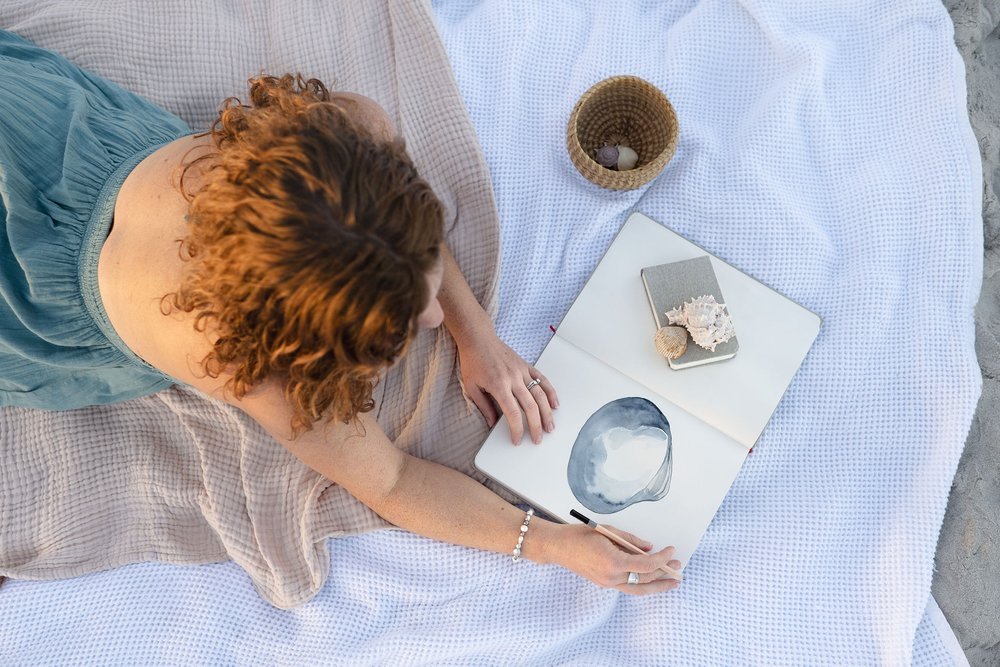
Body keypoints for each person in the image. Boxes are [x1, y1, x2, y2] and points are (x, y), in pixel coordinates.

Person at [0, 29, 681, 595]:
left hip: (49, 131)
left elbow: (390, 204)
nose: (433, 321)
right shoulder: (239, 357)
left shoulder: (348, 132)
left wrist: (479, 333)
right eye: (402, 324)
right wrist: (554, 543)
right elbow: (390, 478)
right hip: (36, 289)